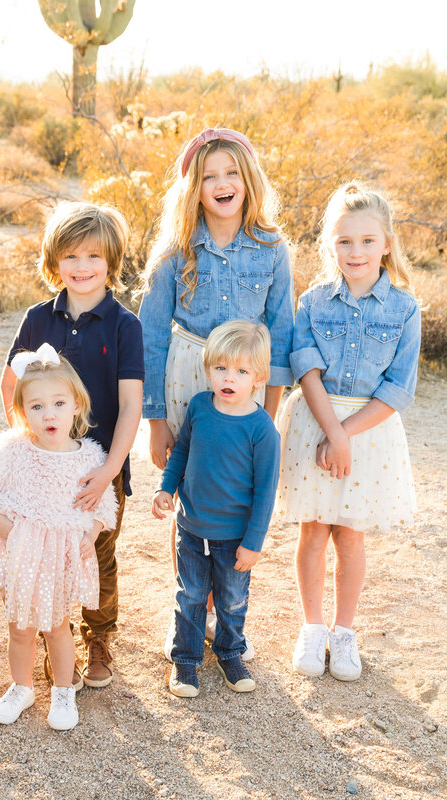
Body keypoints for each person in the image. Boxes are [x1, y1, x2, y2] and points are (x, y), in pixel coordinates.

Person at [138, 127, 294, 659]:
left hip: (247, 378)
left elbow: (282, 329)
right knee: (190, 487)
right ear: (194, 188)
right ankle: (188, 608)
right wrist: (157, 421)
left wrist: (269, 411)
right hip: (187, 372)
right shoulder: (174, 252)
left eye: (232, 173)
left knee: (233, 488)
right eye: (209, 177)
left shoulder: (271, 249)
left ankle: (219, 612)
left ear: (248, 180)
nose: (222, 184)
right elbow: (153, 337)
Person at [276, 182, 420, 682]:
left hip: (370, 428)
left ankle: (343, 630)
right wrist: (330, 431)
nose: (355, 252)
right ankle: (312, 627)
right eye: (343, 241)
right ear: (328, 246)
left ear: (386, 243)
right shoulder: (313, 301)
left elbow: (398, 388)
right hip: (315, 417)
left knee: (351, 534)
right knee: (313, 529)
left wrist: (345, 436)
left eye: (366, 241)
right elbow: (305, 369)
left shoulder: (403, 308)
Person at [0, 202, 143, 690]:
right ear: (53, 261)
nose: (82, 268)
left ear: (111, 262)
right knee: (47, 554)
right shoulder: (39, 319)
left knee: (95, 553)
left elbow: (130, 406)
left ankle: (98, 637)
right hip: (44, 468)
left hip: (95, 470)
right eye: (71, 256)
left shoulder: (126, 325)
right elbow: (9, 382)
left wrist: (109, 473)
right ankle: (53, 642)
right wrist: (24, 442)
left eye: (93, 257)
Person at [0, 348, 117, 731]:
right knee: (19, 625)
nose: (48, 414)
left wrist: (92, 532)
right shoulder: (14, 449)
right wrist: (4, 527)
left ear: (76, 406)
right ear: (21, 412)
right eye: (36, 406)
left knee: (56, 625)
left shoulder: (89, 456)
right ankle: (21, 687)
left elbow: (104, 503)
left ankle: (63, 691)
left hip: (60, 556)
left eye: (58, 403)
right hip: (20, 550)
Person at [151, 320, 280, 697]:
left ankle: (229, 652)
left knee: (231, 600)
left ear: (258, 378)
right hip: (191, 529)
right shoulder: (200, 408)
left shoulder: (262, 429)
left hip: (234, 538)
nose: (229, 378)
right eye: (220, 368)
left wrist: (253, 543)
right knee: (189, 595)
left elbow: (265, 493)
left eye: (241, 371)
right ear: (207, 368)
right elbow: (183, 453)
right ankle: (186, 660)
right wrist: (165, 489)